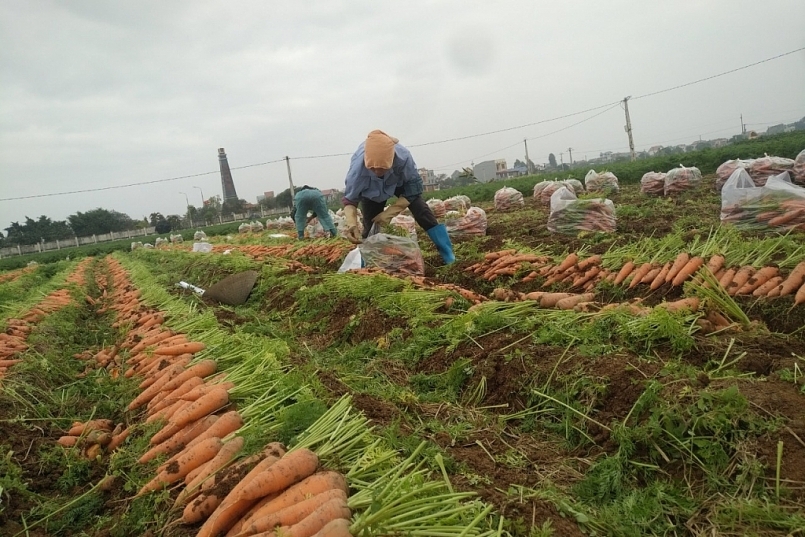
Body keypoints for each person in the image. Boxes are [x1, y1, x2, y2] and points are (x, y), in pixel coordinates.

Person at [341, 129, 455, 264]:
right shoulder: (357, 169)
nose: (377, 172)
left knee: (422, 211)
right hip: (371, 192)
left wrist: (390, 212)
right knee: (370, 226)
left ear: (392, 160)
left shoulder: (403, 157)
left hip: (398, 183)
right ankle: (368, 264)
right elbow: (350, 199)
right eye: (372, 168)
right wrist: (352, 224)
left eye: (382, 168)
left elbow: (414, 187)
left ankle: (448, 255)